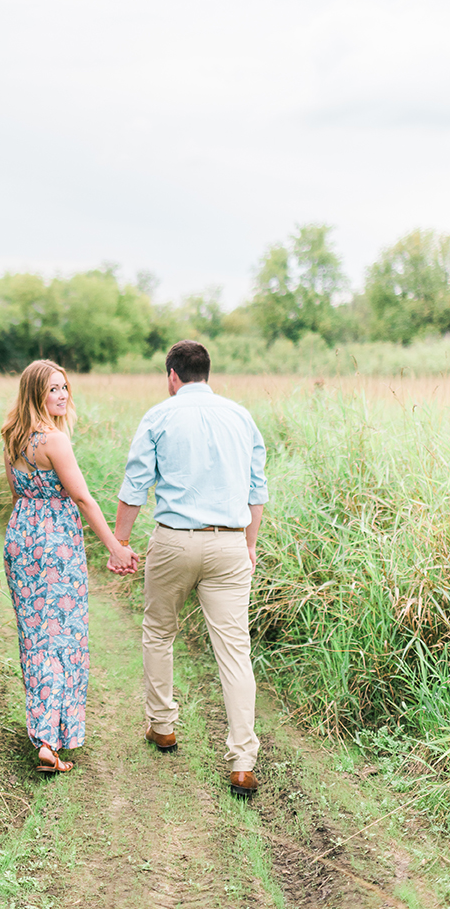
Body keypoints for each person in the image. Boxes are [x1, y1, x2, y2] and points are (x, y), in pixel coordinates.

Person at [113, 340, 268, 797]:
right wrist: (249, 545)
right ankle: (242, 761)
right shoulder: (240, 416)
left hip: (175, 541)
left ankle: (162, 726)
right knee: (234, 650)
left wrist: (120, 542)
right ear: (206, 373)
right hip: (230, 544)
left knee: (160, 631)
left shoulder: (159, 416)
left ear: (172, 376)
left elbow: (135, 484)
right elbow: (256, 489)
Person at [2, 359, 139, 773]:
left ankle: (45, 731)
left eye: (65, 388)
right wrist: (115, 547)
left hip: (21, 538)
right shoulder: (54, 441)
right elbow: (81, 498)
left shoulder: (12, 437)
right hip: (55, 544)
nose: (62, 395)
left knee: (35, 636)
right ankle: (49, 738)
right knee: (62, 636)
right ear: (36, 395)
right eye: (53, 389)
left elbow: (16, 495)